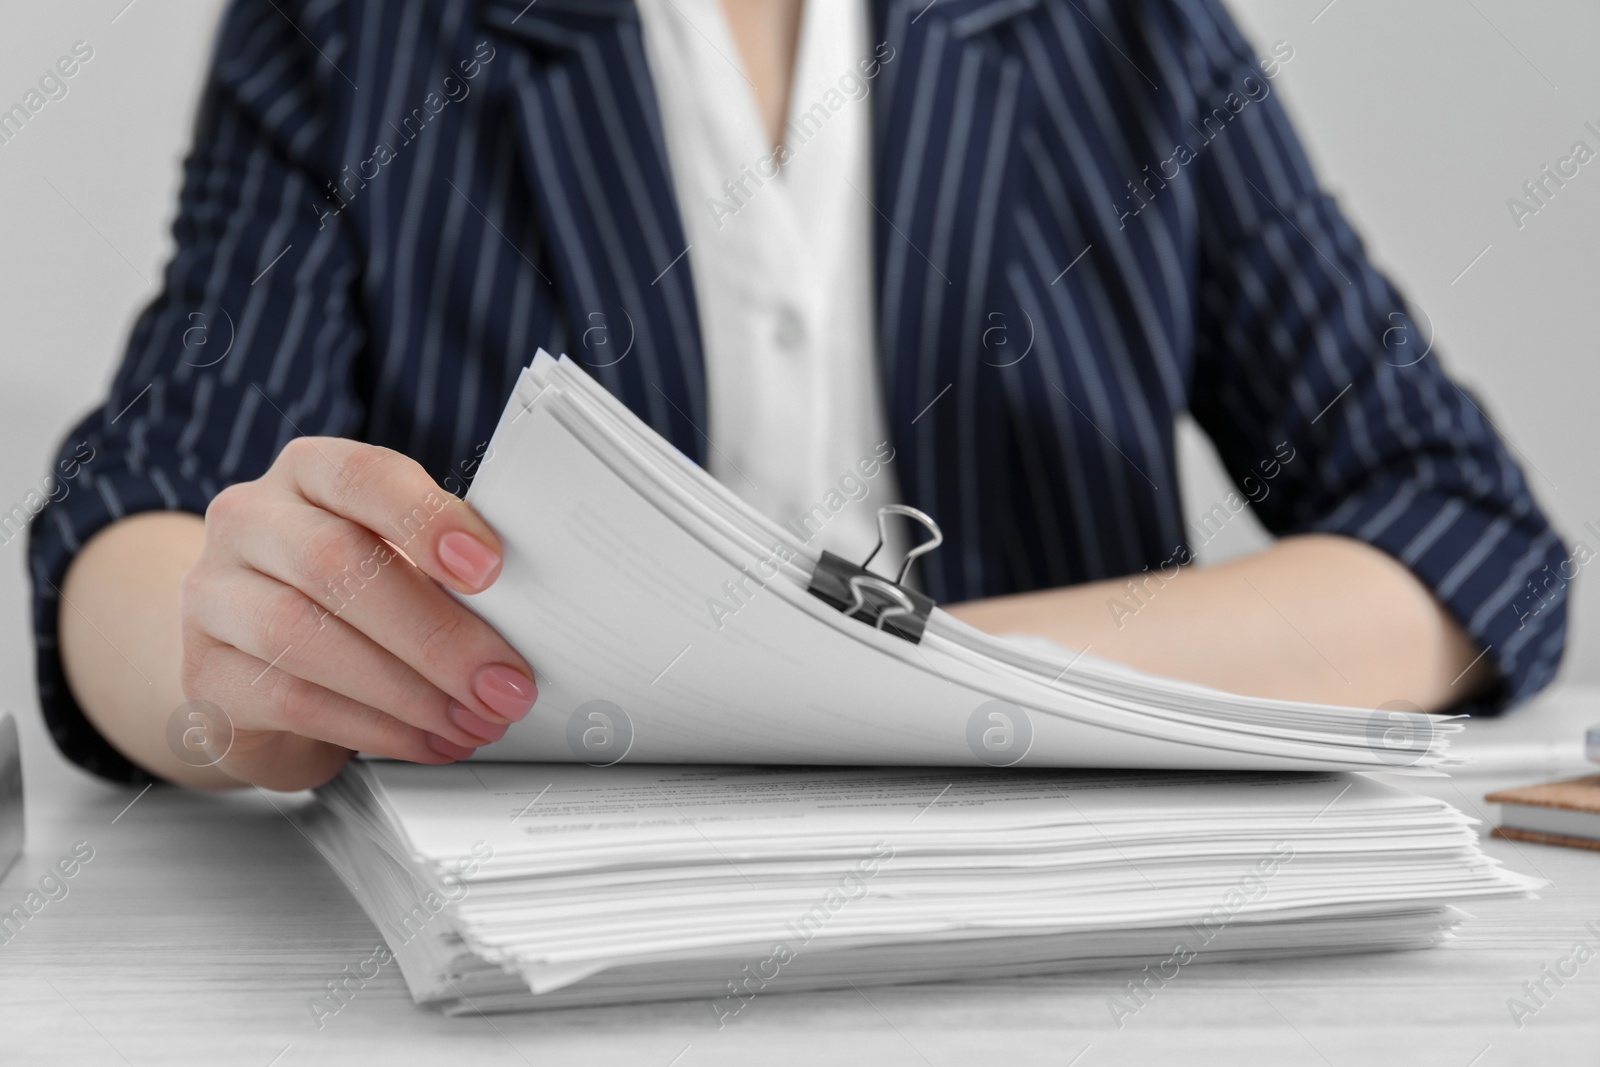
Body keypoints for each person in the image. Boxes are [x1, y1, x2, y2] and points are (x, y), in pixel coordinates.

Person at [28, 0, 1567, 790]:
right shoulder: (360, 29)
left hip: (1053, 949)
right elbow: (142, 524)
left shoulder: (1124, 27)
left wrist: (925, 683)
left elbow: (1461, 532)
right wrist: (239, 674)